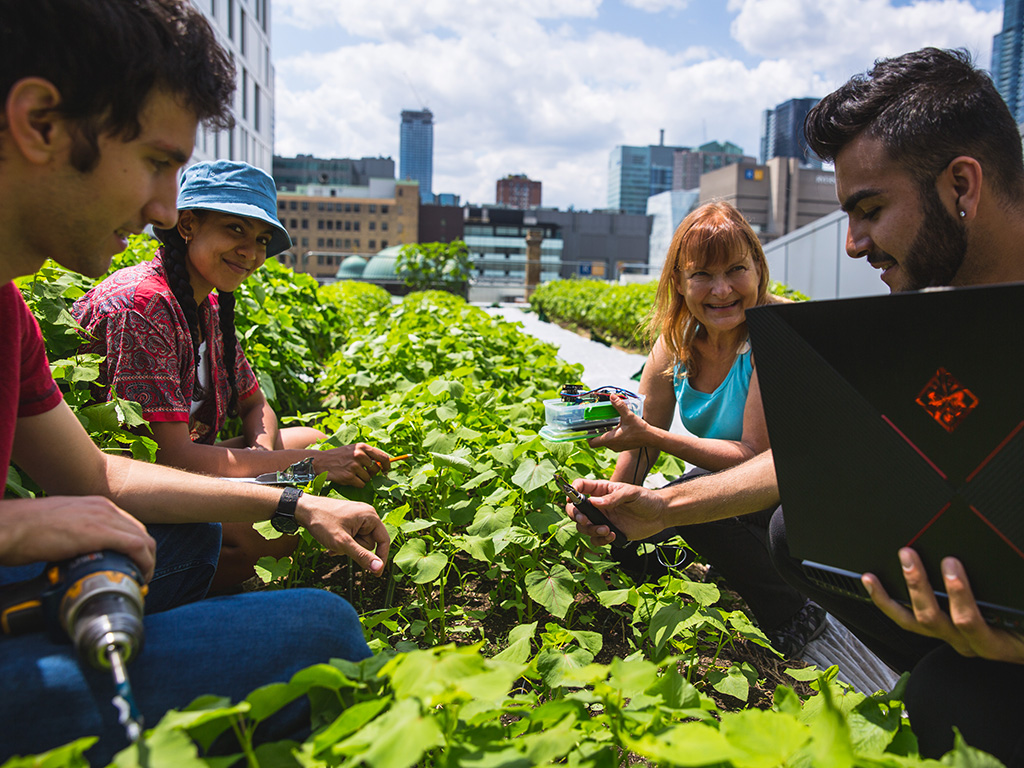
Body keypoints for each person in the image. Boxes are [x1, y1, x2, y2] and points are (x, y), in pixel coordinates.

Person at [567, 48, 1024, 765]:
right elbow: (817, 462)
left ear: (962, 185)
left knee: (941, 706)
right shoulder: (929, 323)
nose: (853, 243)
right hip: (983, 617)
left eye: (870, 210)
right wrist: (655, 510)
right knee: (792, 537)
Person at [0, 1, 388, 763]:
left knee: (201, 530)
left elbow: (100, 473)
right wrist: (16, 528)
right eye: (155, 161)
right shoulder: (143, 301)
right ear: (41, 123)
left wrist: (296, 496)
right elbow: (168, 458)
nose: (162, 206)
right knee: (318, 633)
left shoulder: (13, 309)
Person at [72, 160, 394, 590]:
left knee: (309, 439)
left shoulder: (205, 304)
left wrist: (266, 456)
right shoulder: (145, 304)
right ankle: (210, 588)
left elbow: (255, 402)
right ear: (187, 225)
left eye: (261, 239)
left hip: (182, 465)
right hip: (128, 487)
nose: (252, 251)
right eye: (235, 230)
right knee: (266, 534)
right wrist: (307, 467)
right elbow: (170, 459)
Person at [587, 200, 825, 655]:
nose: (721, 290)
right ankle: (720, 579)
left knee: (697, 506)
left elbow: (754, 458)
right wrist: (610, 514)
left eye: (736, 268)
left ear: (758, 267)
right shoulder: (676, 342)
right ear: (679, 281)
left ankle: (795, 609)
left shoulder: (777, 332)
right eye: (702, 275)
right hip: (749, 486)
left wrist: (651, 439)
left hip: (810, 494)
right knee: (638, 531)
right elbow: (641, 447)